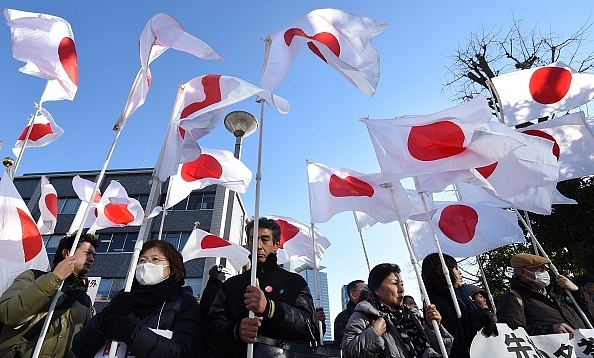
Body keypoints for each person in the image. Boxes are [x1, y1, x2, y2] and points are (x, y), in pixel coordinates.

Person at [205, 218, 318, 358]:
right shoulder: (231, 285)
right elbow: (210, 330)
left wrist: (271, 309)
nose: (258, 245)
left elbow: (312, 328)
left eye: (265, 239)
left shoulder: (294, 282)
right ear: (248, 244)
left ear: (276, 245)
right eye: (253, 240)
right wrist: (235, 330)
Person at [71, 240, 201, 357]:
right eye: (142, 260)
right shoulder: (124, 296)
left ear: (171, 269)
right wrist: (104, 317)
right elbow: (80, 348)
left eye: (155, 259)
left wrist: (132, 333)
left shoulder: (182, 301)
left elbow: (184, 352)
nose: (146, 265)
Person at [0, 233, 98, 358]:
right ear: (67, 254)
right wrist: (55, 278)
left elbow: (82, 343)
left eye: (94, 255)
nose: (91, 258)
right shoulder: (33, 277)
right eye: (87, 252)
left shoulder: (85, 300)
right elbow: (8, 314)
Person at [341, 263, 453, 358]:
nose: (401, 290)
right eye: (395, 284)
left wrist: (434, 328)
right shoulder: (364, 314)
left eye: (402, 284)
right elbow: (347, 352)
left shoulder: (413, 315)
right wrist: (374, 333)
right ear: (377, 290)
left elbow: (444, 350)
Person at [497, 253, 594, 339]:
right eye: (540, 269)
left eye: (545, 269)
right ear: (523, 272)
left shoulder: (556, 295)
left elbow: (590, 314)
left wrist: (576, 291)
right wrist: (550, 329)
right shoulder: (513, 298)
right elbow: (513, 333)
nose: (545, 273)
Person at [421, 253, 497, 358]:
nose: (459, 272)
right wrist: (476, 316)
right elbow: (449, 337)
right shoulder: (433, 301)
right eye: (455, 268)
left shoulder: (463, 295)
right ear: (442, 271)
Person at [333, 279, 365, 346]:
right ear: (353, 294)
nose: (368, 293)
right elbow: (343, 346)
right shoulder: (342, 319)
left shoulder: (376, 313)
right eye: (364, 290)